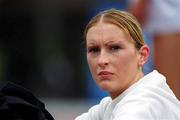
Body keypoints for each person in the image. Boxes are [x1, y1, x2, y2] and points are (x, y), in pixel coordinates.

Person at [75, 9, 180, 120]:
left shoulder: (140, 105)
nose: (102, 60)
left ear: (142, 55)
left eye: (114, 48)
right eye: (94, 50)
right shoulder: (112, 103)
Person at [127, 0, 180, 99]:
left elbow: (137, 12)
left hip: (169, 22)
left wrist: (136, 11)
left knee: (169, 93)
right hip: (165, 21)